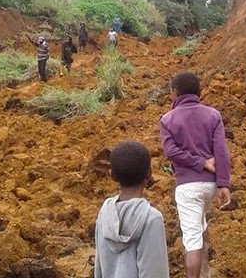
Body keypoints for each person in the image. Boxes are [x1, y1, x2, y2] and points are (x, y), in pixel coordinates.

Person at [159, 72, 231, 278]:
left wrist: (198, 163)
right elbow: (221, 151)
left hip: (187, 187)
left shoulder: (167, 119)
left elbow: (171, 152)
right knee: (200, 226)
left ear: (175, 92)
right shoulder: (213, 115)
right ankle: (205, 273)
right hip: (209, 186)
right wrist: (224, 184)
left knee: (191, 239)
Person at [94, 141, 170, 278]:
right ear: (149, 173)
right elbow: (154, 273)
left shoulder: (104, 213)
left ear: (112, 175)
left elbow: (99, 268)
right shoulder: (151, 219)